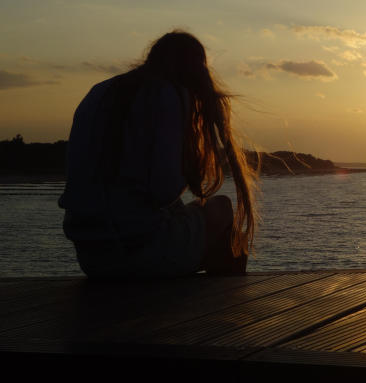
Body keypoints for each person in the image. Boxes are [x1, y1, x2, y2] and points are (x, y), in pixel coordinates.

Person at [59, 30, 257, 277]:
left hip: (92, 258)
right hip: (137, 251)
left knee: (186, 215)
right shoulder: (169, 93)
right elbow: (164, 190)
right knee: (222, 209)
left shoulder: (98, 91)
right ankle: (223, 308)